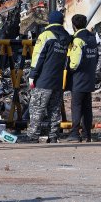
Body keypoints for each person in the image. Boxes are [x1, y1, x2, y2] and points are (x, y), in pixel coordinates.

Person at [24, 10, 71, 143]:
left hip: (43, 79)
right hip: (57, 79)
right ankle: (53, 136)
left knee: (37, 108)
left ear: (50, 21)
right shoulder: (66, 37)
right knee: (54, 109)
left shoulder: (46, 35)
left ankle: (33, 136)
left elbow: (38, 56)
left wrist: (33, 74)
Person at [66, 14, 99, 143]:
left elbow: (75, 61)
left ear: (74, 25)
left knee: (76, 105)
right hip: (89, 76)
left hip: (78, 78)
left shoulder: (77, 39)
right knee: (87, 107)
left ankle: (75, 133)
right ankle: (87, 134)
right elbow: (96, 56)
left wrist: (70, 69)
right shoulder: (92, 38)